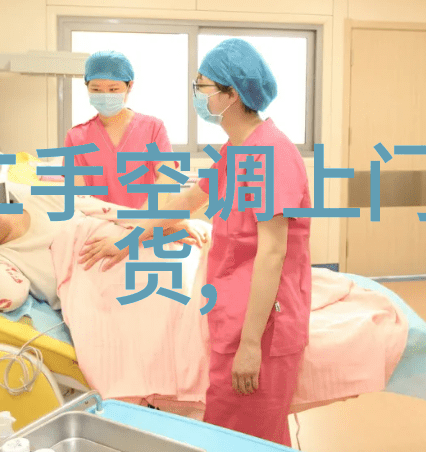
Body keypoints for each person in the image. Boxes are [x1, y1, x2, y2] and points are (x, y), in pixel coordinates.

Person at [79, 38, 313, 447]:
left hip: (262, 326)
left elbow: (273, 252)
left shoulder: (271, 153)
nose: (197, 95)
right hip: (232, 315)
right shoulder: (238, 150)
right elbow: (188, 201)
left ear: (231, 94)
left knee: (247, 440)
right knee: (229, 433)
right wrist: (128, 239)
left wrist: (251, 345)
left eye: (202, 86)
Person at [0, 186, 208, 313]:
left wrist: (160, 226)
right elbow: (9, 296)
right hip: (123, 292)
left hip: (142, 243)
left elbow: (109, 212)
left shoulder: (40, 199)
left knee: (206, 253)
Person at [64, 50, 179, 210]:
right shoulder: (76, 137)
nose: (105, 95)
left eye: (113, 89)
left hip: (144, 221)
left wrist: (143, 218)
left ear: (129, 86)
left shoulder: (153, 128)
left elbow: (167, 176)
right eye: (96, 90)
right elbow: (78, 196)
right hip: (96, 222)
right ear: (87, 87)